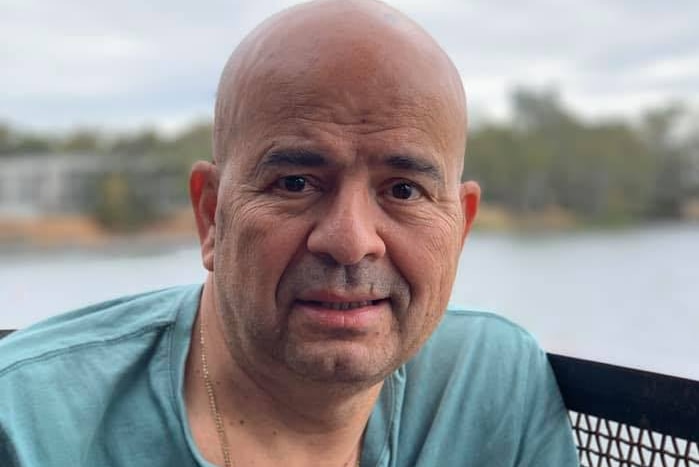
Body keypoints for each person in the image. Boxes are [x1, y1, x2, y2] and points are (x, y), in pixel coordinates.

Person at [0, 1, 579, 465]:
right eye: (297, 182)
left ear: (459, 228)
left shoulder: (492, 381)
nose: (351, 241)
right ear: (212, 216)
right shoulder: (27, 426)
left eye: (403, 190)